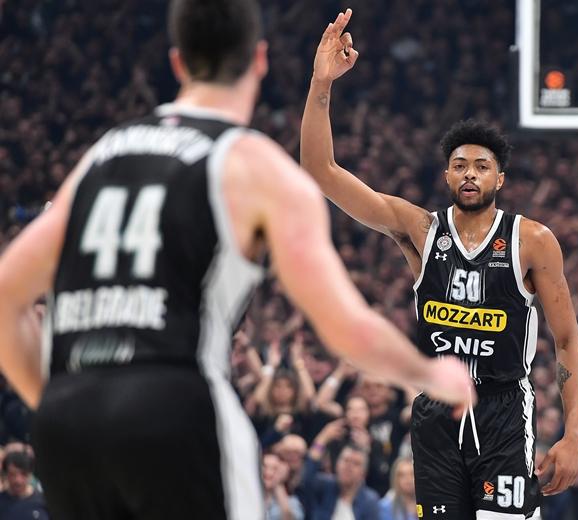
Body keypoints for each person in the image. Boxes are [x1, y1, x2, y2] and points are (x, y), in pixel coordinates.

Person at [0, 1, 473, 518]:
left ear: (178, 62)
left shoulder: (102, 154)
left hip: (70, 426)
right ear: (260, 60)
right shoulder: (249, 162)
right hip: (176, 412)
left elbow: (5, 296)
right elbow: (348, 329)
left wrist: (54, 396)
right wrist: (429, 375)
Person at [300, 9, 578, 520]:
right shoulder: (420, 230)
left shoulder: (532, 241)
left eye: (482, 166)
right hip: (436, 415)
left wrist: (574, 435)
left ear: (500, 179)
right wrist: (321, 84)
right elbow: (321, 171)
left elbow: (566, 340)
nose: (470, 174)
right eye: (460, 166)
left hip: (503, 410)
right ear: (447, 177)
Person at [303, 442, 380, 520]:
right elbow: (305, 480)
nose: (349, 467)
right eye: (346, 460)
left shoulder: (369, 501)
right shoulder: (323, 486)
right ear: (337, 464)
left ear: (364, 473)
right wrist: (322, 440)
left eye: (356, 464)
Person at [0, 451, 49, 520]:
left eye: (24, 474)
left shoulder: (44, 502)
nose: (18, 480)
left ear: (31, 474)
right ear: (6, 474)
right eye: (12, 474)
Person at [262, 452, 304, 520]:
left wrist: (278, 484)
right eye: (264, 466)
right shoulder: (248, 497)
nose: (268, 472)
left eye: (275, 468)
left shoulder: (292, 503)